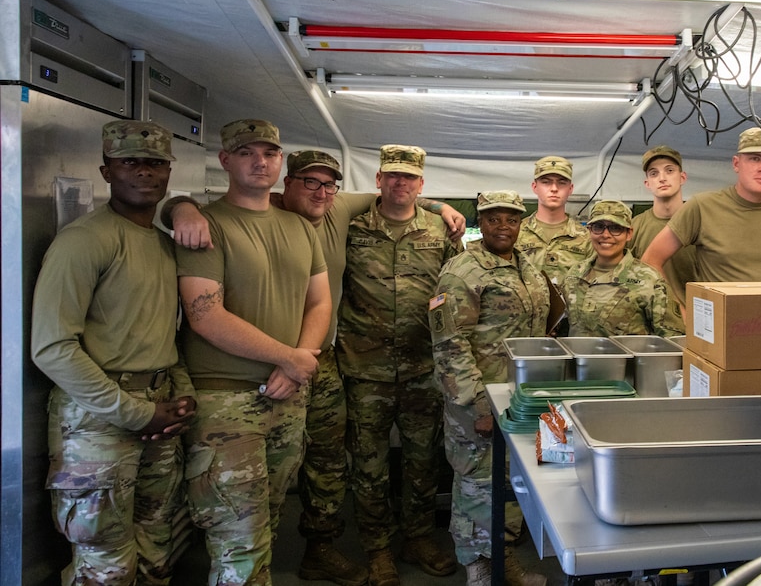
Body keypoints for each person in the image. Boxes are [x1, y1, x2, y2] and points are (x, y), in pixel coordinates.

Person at [163, 151, 465, 586]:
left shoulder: (343, 209)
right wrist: (180, 204)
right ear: (288, 182)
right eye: (310, 183)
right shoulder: (256, 219)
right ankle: (369, 549)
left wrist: (442, 206)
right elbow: (201, 298)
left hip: (338, 363)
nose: (321, 193)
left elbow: (405, 212)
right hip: (310, 370)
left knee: (336, 462)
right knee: (359, 465)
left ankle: (348, 546)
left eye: (329, 185)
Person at [31, 121, 196, 585]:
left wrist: (178, 394)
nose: (145, 173)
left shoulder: (164, 244)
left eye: (156, 164)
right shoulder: (84, 241)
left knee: (154, 553)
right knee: (105, 564)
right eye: (131, 163)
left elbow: (164, 335)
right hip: (98, 420)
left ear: (168, 172)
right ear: (107, 171)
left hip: (157, 412)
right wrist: (134, 413)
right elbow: (52, 348)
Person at [175, 119, 331, 585]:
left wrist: (300, 359)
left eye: (269, 153)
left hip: (288, 397)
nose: (260, 161)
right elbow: (205, 315)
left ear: (281, 163)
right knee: (238, 538)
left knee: (268, 520)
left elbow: (320, 301)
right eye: (246, 152)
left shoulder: (300, 227)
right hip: (226, 402)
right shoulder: (206, 226)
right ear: (225, 160)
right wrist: (290, 357)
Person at [336, 145, 462, 586]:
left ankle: (418, 537)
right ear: (378, 180)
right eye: (392, 175)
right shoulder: (350, 226)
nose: (400, 183)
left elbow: (451, 292)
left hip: (422, 367)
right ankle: (377, 549)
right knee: (368, 465)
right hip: (364, 368)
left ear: (421, 184)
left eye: (409, 177)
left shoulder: (439, 231)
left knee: (423, 460)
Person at [429, 191, 551, 586]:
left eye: (511, 219)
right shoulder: (461, 271)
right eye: (494, 219)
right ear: (481, 222)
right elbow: (449, 345)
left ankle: (503, 559)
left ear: (521, 222)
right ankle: (479, 569)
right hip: (478, 400)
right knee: (477, 482)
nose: (503, 226)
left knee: (510, 481)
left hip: (519, 400)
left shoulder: (526, 266)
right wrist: (478, 404)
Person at [642, 127, 761, 285]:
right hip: (721, 315)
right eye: (755, 159)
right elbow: (651, 260)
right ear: (736, 164)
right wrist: (678, 310)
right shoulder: (702, 207)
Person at [563, 200, 682, 339]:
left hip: (627, 361)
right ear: (589, 231)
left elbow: (672, 340)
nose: (606, 234)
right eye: (598, 227)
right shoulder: (574, 274)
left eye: (615, 228)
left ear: (629, 233)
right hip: (577, 359)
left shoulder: (649, 280)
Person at [629, 145, 697, 330]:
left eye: (669, 170)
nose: (662, 178)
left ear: (682, 177)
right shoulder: (634, 227)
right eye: (654, 173)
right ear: (647, 183)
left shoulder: (701, 222)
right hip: (649, 325)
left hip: (696, 322)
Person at [515, 155, 592, 285]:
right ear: (534, 187)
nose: (554, 188)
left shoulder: (586, 238)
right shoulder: (516, 233)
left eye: (561, 182)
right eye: (546, 182)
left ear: (570, 189)